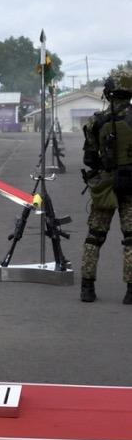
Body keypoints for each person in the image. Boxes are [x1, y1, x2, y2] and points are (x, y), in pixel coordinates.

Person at [80, 73, 132, 303]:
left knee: (94, 237)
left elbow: (90, 159)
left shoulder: (96, 121)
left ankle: (87, 289)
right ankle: (131, 292)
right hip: (130, 186)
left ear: (109, 92)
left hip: (105, 186)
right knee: (130, 239)